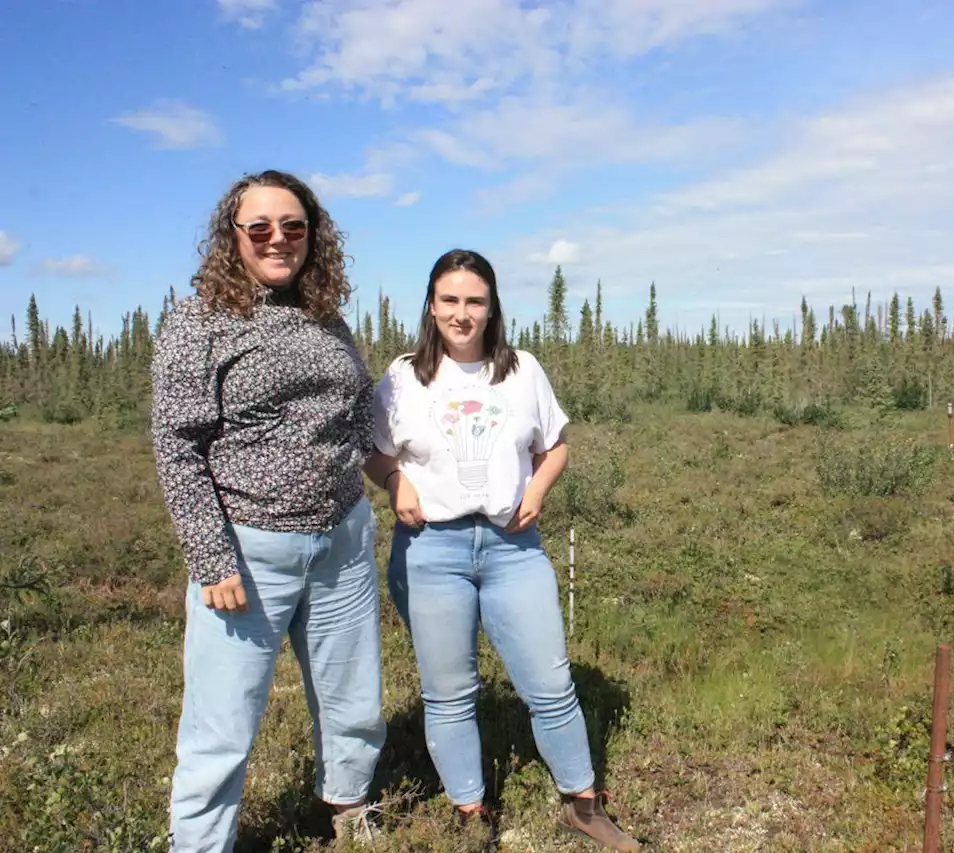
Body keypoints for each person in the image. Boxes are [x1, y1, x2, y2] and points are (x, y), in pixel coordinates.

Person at [368, 249, 640, 851]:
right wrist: (395, 480)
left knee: (550, 683)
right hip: (430, 549)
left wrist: (538, 488)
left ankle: (584, 804)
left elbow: (556, 445)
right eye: (450, 301)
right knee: (449, 691)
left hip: (512, 546)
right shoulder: (403, 376)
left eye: (475, 302)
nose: (462, 314)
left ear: (492, 308)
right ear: (431, 305)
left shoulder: (521, 371)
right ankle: (471, 813)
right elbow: (374, 449)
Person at [150, 169, 386, 850]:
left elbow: (355, 414)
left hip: (341, 538)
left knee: (353, 698)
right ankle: (200, 841)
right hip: (248, 551)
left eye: (293, 226)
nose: (277, 239)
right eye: (260, 228)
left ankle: (349, 803)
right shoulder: (201, 319)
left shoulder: (323, 314)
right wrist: (210, 554)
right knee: (221, 722)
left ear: (314, 235)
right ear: (234, 235)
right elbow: (176, 442)